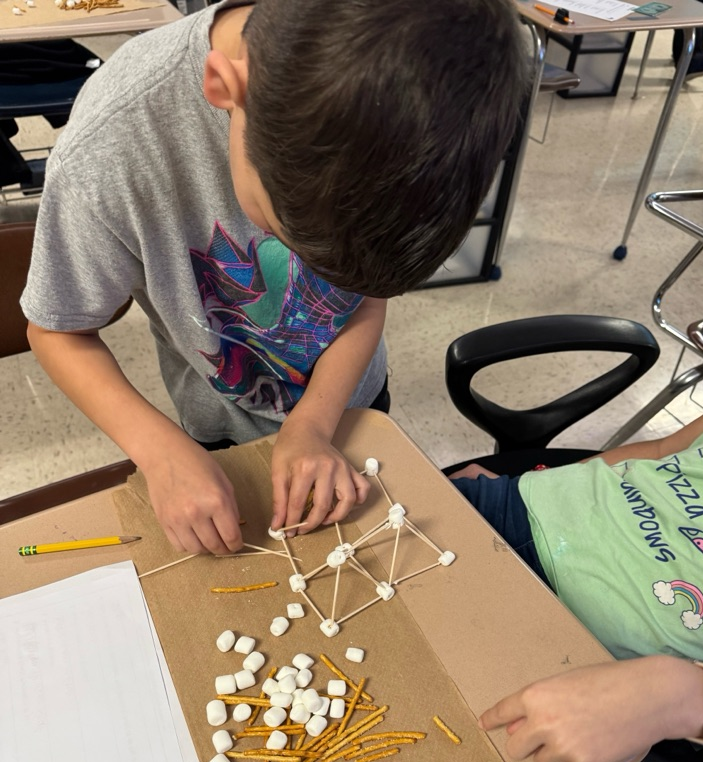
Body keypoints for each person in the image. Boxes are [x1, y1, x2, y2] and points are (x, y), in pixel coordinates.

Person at [21, 0, 528, 556]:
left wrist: (313, 423)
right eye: (278, 228)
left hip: (348, 407)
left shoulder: (429, 122)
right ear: (222, 87)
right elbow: (57, 332)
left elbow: (363, 301)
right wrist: (160, 453)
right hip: (213, 421)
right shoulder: (109, 149)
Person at [449, 363, 703, 762]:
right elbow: (664, 450)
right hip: (526, 508)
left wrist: (689, 699)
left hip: (587, 635)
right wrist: (534, 479)